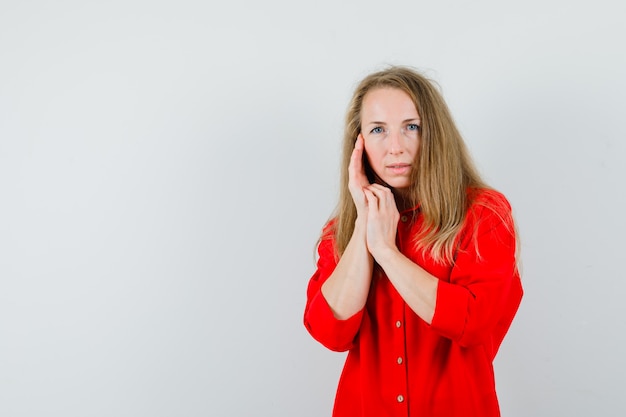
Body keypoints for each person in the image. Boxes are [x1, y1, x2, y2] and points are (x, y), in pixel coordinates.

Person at [303, 66, 523, 417]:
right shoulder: (341, 230)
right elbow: (331, 332)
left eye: (411, 127)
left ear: (433, 133)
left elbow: (474, 322)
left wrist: (387, 253)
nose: (395, 147)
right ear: (358, 144)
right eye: (378, 130)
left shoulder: (483, 214)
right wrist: (364, 224)